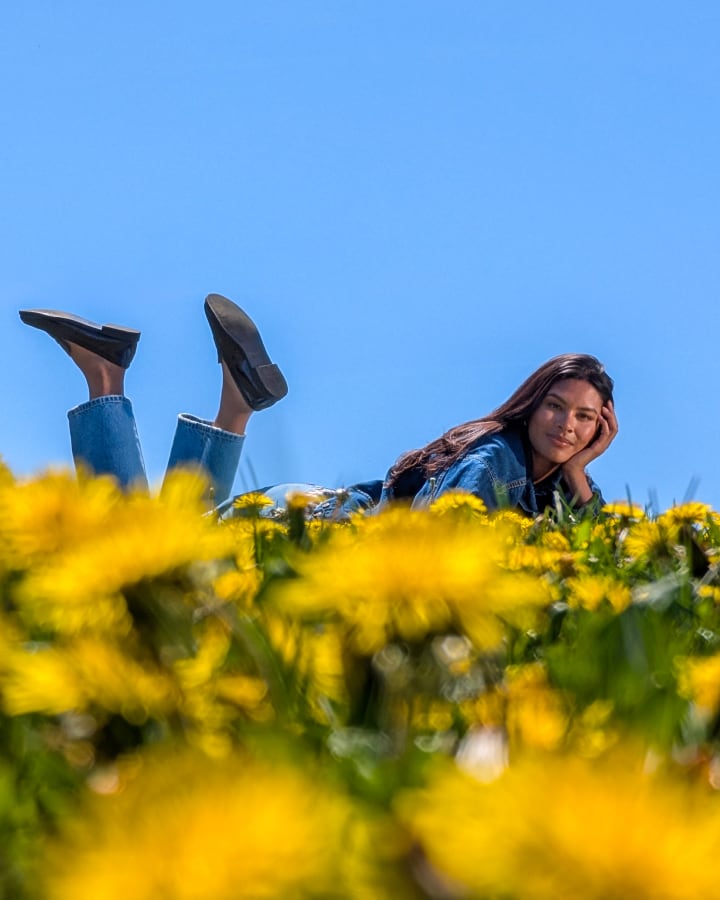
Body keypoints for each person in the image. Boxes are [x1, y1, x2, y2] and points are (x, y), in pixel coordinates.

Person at [19, 295, 618, 519]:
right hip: (306, 527)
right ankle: (113, 378)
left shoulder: (550, 486)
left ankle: (225, 400)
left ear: (602, 427)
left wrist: (577, 473)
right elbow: (443, 534)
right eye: (556, 407)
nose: (568, 426)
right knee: (135, 552)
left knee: (162, 544)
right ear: (530, 406)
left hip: (309, 515)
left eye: (585, 418)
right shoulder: (498, 461)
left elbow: (593, 544)